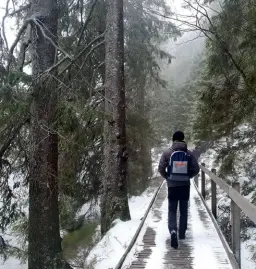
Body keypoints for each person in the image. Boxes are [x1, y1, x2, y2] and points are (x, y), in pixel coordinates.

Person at [158, 131, 199, 249]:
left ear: (173, 140)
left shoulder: (167, 153)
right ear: (183, 139)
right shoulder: (189, 153)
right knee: (183, 209)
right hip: (185, 185)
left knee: (172, 209)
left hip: (172, 185)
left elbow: (161, 168)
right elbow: (196, 169)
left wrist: (168, 177)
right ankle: (182, 232)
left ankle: (173, 231)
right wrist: (188, 176)